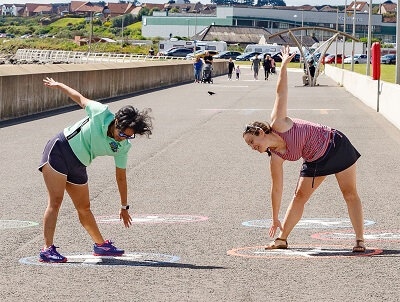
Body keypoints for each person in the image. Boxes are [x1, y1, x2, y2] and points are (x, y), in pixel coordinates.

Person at [242, 46, 365, 253]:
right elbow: (276, 189)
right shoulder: (276, 158)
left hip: (335, 144)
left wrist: (283, 66)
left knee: (350, 194)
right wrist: (274, 218)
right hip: (315, 160)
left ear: (261, 133)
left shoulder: (278, 123)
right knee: (299, 196)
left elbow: (280, 92)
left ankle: (360, 240)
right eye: (249, 146)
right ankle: (282, 239)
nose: (252, 147)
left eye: (252, 142)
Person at [38, 77, 153, 263]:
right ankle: (47, 249)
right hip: (60, 150)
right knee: (56, 201)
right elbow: (79, 98)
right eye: (122, 133)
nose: (123, 138)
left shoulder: (123, 147)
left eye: (129, 137)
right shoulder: (101, 113)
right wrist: (59, 85)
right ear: (116, 122)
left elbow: (121, 178)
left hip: (79, 163)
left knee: (84, 207)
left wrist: (124, 207)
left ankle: (100, 246)